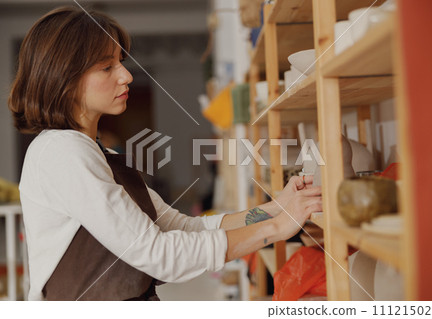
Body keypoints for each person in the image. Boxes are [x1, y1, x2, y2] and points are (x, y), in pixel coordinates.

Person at [8, 6, 322, 301]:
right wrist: (277, 228)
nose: (126, 75)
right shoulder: (62, 152)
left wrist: (276, 208)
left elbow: (184, 227)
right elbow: (159, 255)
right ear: (64, 78)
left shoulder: (95, 153)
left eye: (121, 62)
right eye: (107, 67)